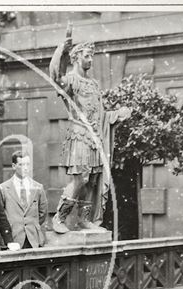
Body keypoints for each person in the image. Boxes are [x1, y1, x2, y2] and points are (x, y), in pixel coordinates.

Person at [49, 24, 131, 233]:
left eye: (92, 56)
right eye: (87, 56)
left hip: (95, 138)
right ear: (76, 57)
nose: (90, 60)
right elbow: (55, 77)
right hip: (79, 135)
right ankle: (59, 217)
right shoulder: (71, 80)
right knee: (81, 179)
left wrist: (116, 115)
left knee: (92, 182)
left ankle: (84, 220)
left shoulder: (93, 84)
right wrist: (61, 50)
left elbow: (100, 114)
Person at [0, 151, 47, 249]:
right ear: (14, 166)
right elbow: (0, 215)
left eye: (27, 164)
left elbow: (43, 212)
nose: (25, 168)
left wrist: (32, 226)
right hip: (13, 239)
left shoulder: (38, 187)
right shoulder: (4, 188)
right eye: (21, 164)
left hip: (33, 239)